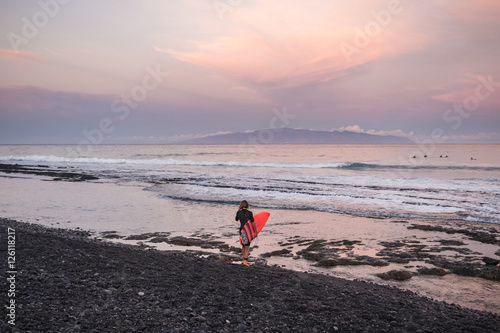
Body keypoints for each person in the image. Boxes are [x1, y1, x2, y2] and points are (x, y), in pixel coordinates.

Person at [235, 200, 257, 266]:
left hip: (241, 230)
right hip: (248, 231)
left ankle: (243, 259)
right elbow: (253, 223)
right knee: (247, 246)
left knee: (243, 245)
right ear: (247, 205)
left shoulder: (238, 213)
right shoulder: (250, 213)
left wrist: (239, 210)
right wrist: (255, 231)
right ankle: (245, 261)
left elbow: (236, 219)